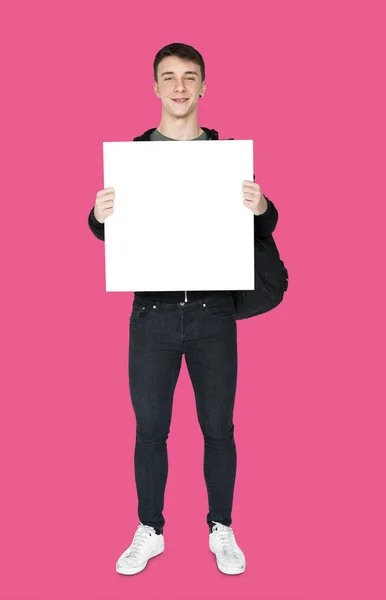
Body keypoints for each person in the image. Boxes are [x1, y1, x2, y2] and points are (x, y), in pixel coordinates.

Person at [88, 42, 278, 576]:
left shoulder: (227, 155)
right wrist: (100, 215)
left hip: (213, 312)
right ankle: (149, 529)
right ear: (154, 87)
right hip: (151, 313)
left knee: (219, 426)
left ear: (202, 87)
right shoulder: (132, 157)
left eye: (188, 77)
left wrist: (261, 204)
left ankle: (222, 528)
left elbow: (262, 225)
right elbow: (113, 235)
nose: (178, 87)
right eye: (168, 77)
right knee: (150, 429)